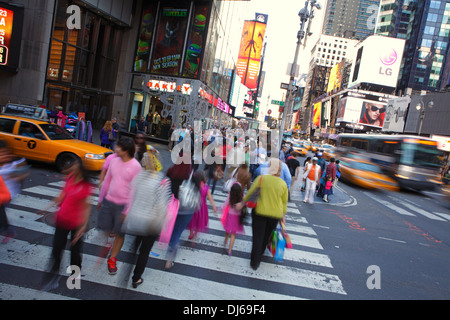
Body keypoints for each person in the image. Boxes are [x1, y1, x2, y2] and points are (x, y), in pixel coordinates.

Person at [42, 158, 93, 290]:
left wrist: (83, 226)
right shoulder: (70, 177)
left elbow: (87, 207)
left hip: (76, 223)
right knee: (56, 251)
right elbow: (62, 195)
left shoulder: (86, 185)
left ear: (80, 168)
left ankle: (74, 280)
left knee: (75, 254)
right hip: (62, 220)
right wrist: (48, 206)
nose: (70, 166)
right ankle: (53, 276)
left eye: (74, 164)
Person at [97, 137, 142, 275]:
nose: (116, 149)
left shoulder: (136, 166)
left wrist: (127, 210)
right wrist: (100, 199)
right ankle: (109, 244)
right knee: (104, 227)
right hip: (109, 201)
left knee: (120, 234)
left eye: (120, 147)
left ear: (127, 151)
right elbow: (107, 181)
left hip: (123, 205)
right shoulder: (113, 161)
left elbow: (135, 190)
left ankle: (112, 258)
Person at [241, 158, 288, 270]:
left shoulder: (261, 179)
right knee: (266, 236)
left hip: (260, 212)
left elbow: (250, 193)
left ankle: (254, 262)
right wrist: (283, 217)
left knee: (258, 237)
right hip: (275, 215)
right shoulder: (283, 184)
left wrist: (242, 203)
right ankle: (260, 254)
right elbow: (284, 203)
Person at [187, 171, 217, 241]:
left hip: (193, 206)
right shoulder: (206, 187)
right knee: (199, 221)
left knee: (192, 220)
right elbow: (210, 197)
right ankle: (195, 234)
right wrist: (213, 205)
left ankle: (191, 233)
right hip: (202, 207)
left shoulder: (193, 186)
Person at [222, 183, 245, 256]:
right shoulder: (242, 196)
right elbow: (245, 204)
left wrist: (220, 209)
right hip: (237, 217)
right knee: (233, 235)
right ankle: (229, 251)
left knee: (227, 229)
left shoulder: (230, 197)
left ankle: (225, 241)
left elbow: (225, 204)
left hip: (230, 216)